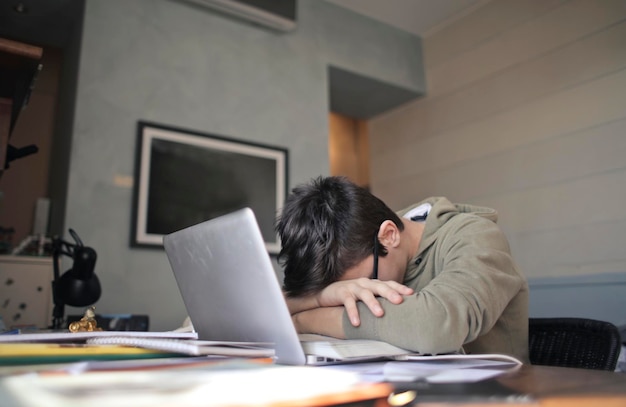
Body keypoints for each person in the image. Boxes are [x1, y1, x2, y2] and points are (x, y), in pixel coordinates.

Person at [275, 176, 529, 362]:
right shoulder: (365, 237)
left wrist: (303, 319)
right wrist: (325, 296)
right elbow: (273, 304)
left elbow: (435, 326)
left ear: (388, 236)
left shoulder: (476, 236)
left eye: (365, 282)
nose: (358, 293)